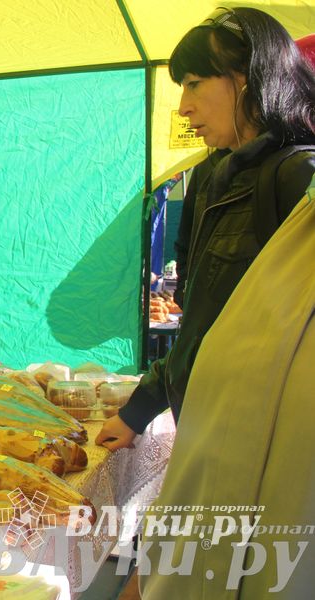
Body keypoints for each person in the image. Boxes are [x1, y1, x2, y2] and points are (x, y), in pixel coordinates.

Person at [97, 7, 315, 451]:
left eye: (195, 83)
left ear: (250, 76)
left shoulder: (298, 178)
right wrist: (140, 408)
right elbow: (199, 318)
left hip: (268, 438)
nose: (184, 106)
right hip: (208, 425)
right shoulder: (213, 176)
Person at [140, 174, 315, 598]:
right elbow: (199, 332)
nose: (184, 107)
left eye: (197, 99)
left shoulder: (288, 184)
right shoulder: (239, 184)